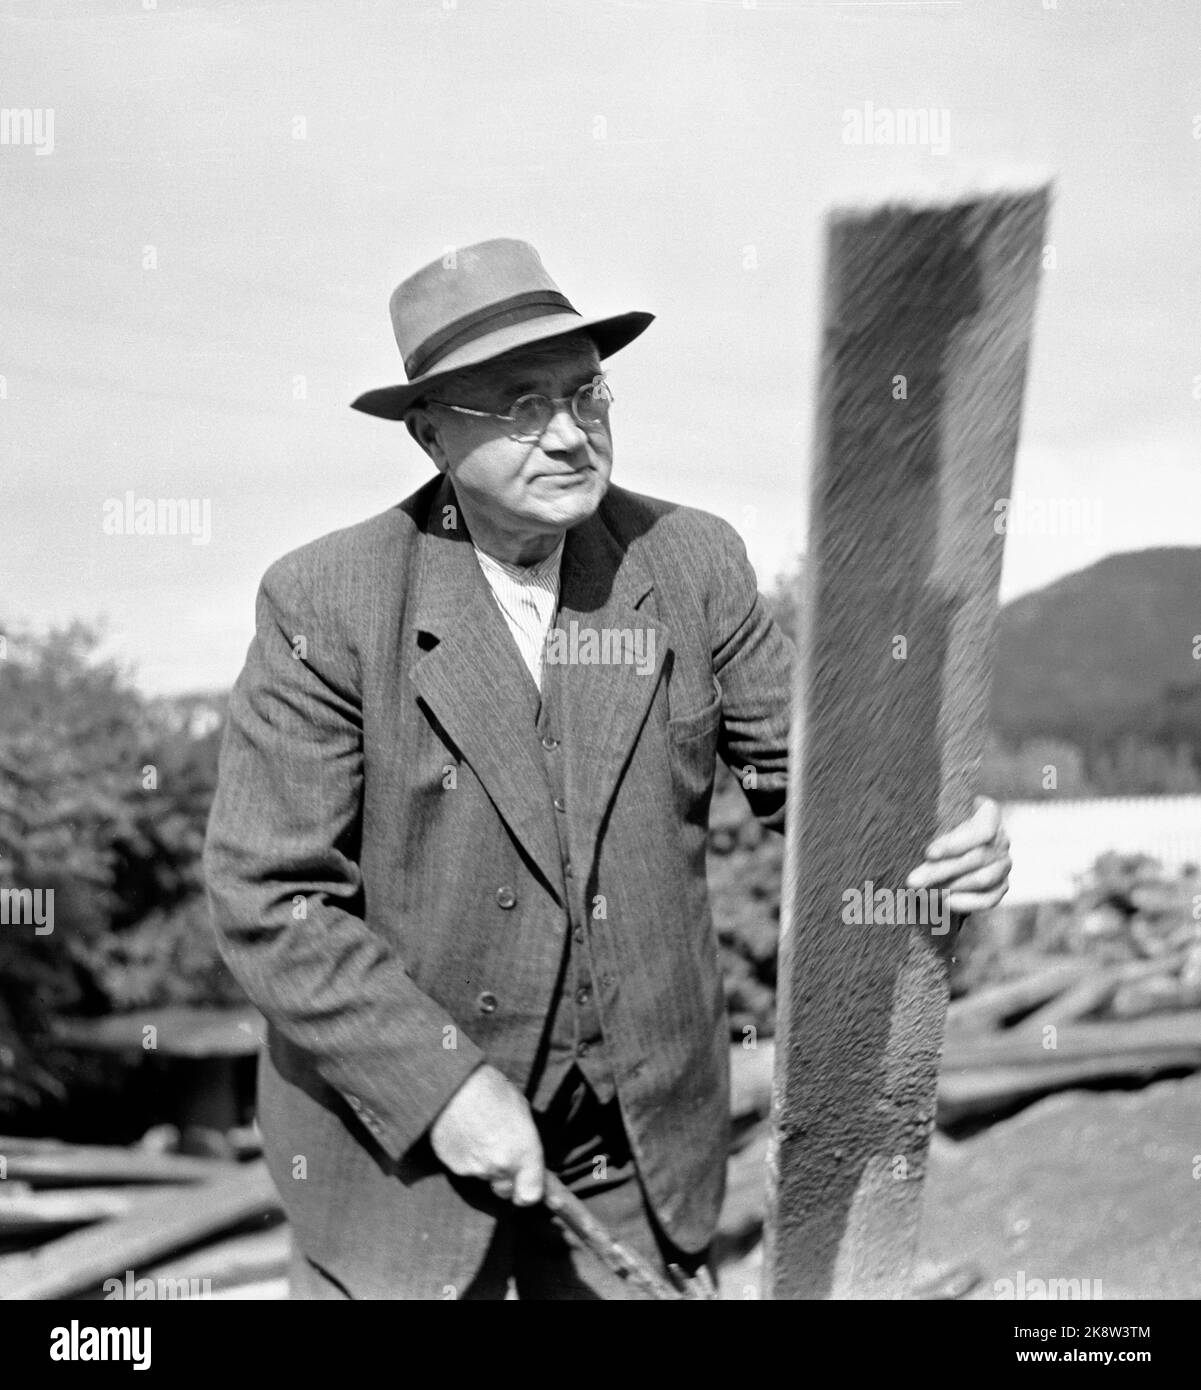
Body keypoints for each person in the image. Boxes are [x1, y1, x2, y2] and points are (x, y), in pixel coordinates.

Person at [203, 238, 1011, 1299]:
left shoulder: (688, 560)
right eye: (516, 405)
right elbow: (272, 896)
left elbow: (819, 796)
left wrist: (937, 840)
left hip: (638, 1169)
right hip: (405, 1191)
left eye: (585, 392)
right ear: (430, 432)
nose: (568, 433)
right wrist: (441, 1085)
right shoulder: (328, 602)